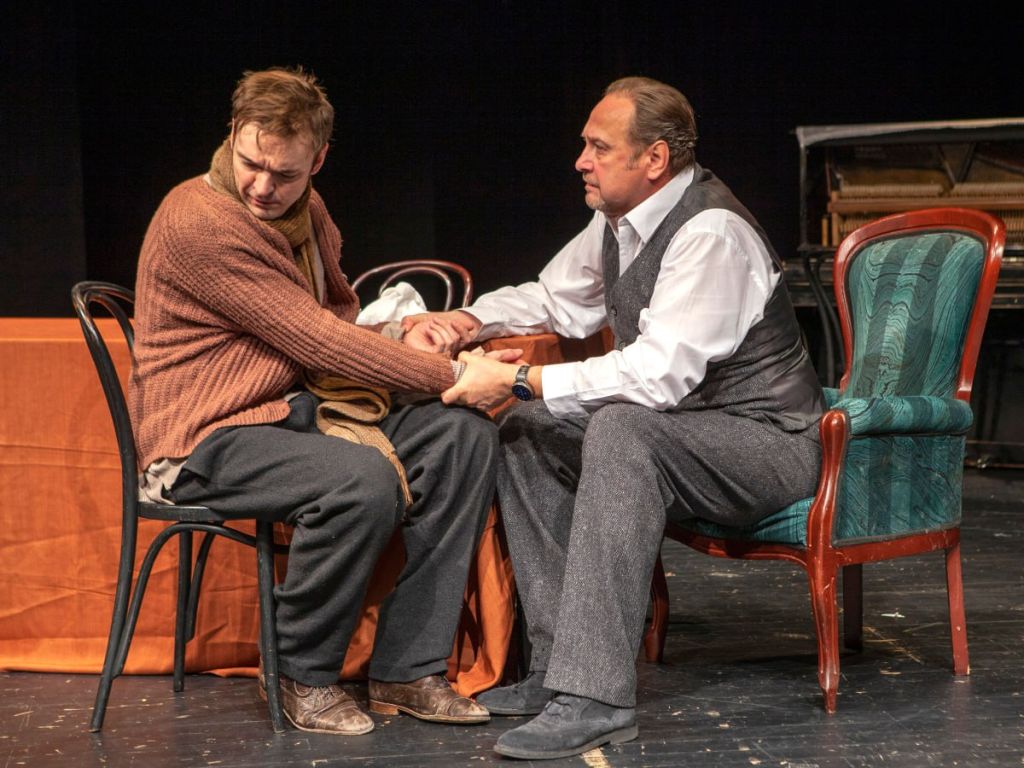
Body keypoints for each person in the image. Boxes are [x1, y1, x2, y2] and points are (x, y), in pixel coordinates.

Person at [402, 76, 825, 760]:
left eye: (599, 147)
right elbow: (555, 299)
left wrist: (518, 378)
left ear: (654, 158)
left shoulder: (711, 232)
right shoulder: (619, 221)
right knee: (531, 428)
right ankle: (558, 670)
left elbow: (658, 375)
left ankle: (597, 697)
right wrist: (465, 320)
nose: (581, 161)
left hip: (765, 443)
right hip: (685, 431)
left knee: (621, 429)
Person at [129, 66, 517, 736]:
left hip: (289, 411)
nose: (262, 186)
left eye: (283, 173)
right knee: (359, 479)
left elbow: (332, 321)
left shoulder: (306, 213)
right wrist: (453, 372)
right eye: (250, 163)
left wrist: (398, 337)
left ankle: (407, 668)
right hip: (203, 436)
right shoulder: (201, 222)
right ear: (232, 133)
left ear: (318, 160)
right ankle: (298, 673)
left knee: (462, 439)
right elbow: (317, 341)